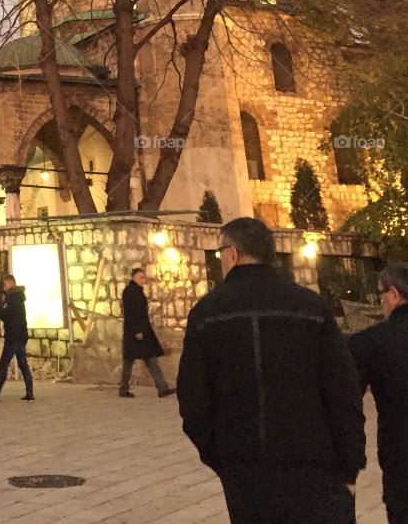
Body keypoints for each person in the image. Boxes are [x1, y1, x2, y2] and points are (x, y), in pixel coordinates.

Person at [177, 216, 365, 524]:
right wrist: (350, 461)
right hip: (312, 460)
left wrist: (218, 454)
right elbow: (343, 390)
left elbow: (192, 397)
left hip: (243, 465)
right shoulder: (310, 307)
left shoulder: (207, 313)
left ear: (232, 253)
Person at [348, 261, 408, 524]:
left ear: (394, 294)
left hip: (404, 462)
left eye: (380, 295)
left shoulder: (371, 342)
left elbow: (347, 402)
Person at [119, 266, 175, 398]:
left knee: (150, 359)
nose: (143, 280)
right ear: (134, 278)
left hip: (142, 331)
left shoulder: (137, 291)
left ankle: (162, 387)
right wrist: (136, 331)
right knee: (130, 361)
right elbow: (130, 313)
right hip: (136, 333)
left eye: (144, 277)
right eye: (141, 277)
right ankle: (124, 389)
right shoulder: (130, 292)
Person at [0, 274, 33, 401]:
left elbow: (5, 315)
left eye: (5, 285)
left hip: (13, 336)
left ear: (11, 284)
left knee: (3, 363)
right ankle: (30, 393)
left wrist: (0, 305)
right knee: (23, 364)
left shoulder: (11, 298)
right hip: (21, 335)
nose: (4, 288)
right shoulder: (19, 297)